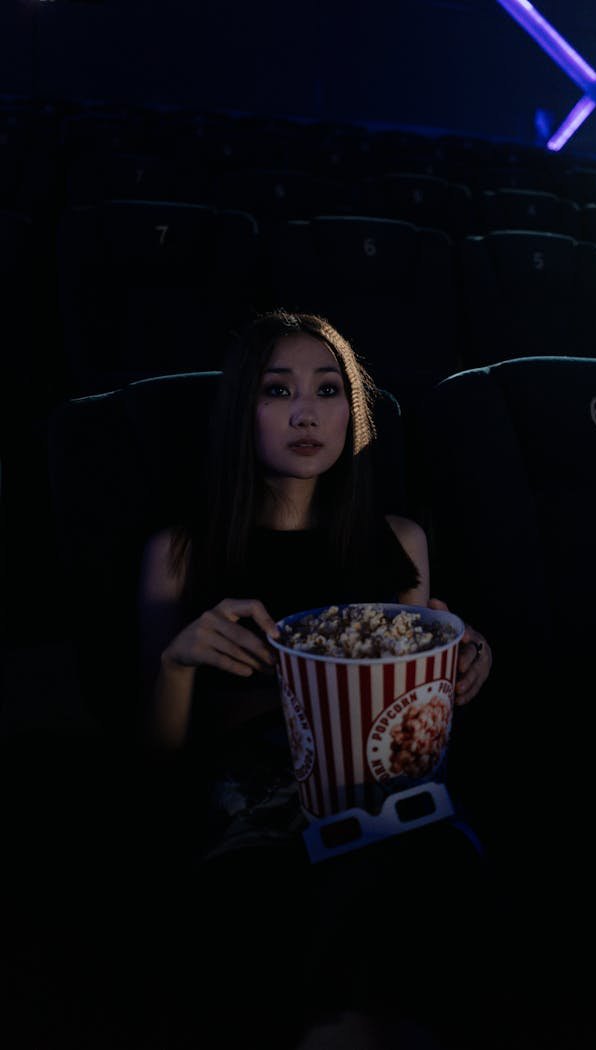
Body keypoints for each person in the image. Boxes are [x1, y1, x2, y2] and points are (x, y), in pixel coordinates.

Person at [136, 309, 496, 1048]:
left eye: (329, 390)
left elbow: (418, 712)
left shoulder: (400, 541)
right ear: (242, 410)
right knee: (263, 914)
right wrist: (176, 663)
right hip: (256, 818)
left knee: (436, 883)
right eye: (277, 391)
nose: (307, 412)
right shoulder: (178, 552)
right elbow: (158, 751)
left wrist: (460, 659)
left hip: (391, 800)